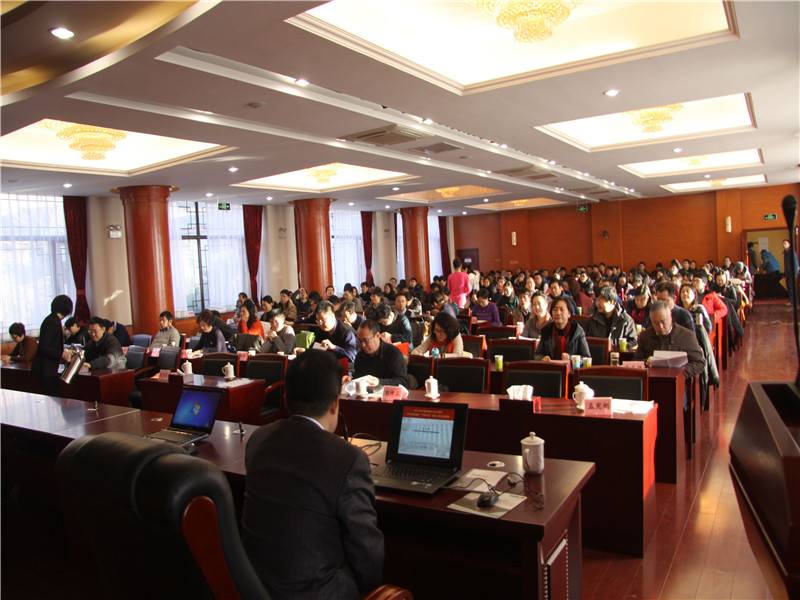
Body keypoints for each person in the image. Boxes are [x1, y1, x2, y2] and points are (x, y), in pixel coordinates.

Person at [242, 350, 384, 600]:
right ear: (335, 403)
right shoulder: (348, 459)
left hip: (252, 588)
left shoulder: (259, 439)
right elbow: (367, 553)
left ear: (285, 397)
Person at [634, 301, 706, 380]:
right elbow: (636, 361)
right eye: (656, 323)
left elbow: (699, 363)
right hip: (652, 381)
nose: (660, 327)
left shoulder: (686, 335)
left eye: (663, 321)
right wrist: (646, 362)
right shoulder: (645, 336)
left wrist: (679, 373)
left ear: (671, 317)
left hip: (678, 381)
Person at [31, 294, 74, 396]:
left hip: (47, 369)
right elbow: (43, 347)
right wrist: (61, 354)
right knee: (55, 397)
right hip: (46, 369)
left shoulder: (52, 319)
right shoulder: (52, 322)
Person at [352, 320, 408, 387]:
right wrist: (351, 380)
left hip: (387, 393)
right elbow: (358, 377)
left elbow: (402, 381)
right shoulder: (360, 356)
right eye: (360, 341)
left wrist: (379, 382)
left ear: (377, 335)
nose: (362, 345)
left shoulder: (393, 353)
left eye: (366, 340)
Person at [534, 297, 590, 361]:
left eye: (562, 309)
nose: (558, 313)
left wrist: (571, 358)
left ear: (569, 313)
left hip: (570, 367)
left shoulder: (577, 331)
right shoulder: (547, 330)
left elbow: (586, 357)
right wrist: (542, 358)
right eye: (555, 310)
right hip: (551, 366)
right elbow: (537, 355)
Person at [783, 239, 799, 306]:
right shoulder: (785, 253)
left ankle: (792, 301)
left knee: (791, 287)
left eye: (785, 243)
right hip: (788, 273)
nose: (784, 245)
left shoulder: (792, 252)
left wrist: (795, 272)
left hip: (792, 272)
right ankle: (792, 300)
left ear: (789, 244)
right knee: (789, 287)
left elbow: (795, 263)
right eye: (783, 243)